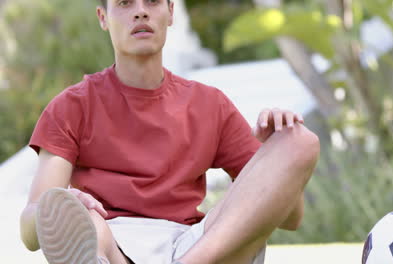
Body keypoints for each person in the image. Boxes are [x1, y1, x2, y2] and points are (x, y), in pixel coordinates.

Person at [19, 0, 320, 263]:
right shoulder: (72, 106)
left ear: (171, 12)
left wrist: (272, 147)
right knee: (87, 224)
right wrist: (59, 205)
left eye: (152, 1)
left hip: (195, 247)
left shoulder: (209, 104)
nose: (140, 12)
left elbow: (291, 217)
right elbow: (30, 232)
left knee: (298, 140)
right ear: (102, 18)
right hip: (113, 243)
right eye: (124, 3)